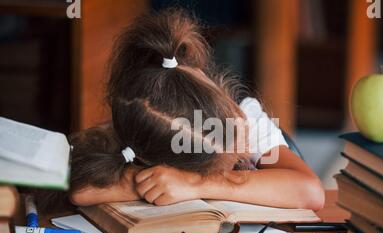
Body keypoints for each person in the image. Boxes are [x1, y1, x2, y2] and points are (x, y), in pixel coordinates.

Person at [53, 9, 325, 211]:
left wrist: (197, 183)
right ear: (169, 162)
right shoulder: (152, 127)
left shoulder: (247, 115)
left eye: (235, 122)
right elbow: (81, 191)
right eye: (235, 154)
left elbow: (310, 191)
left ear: (219, 92)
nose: (245, 144)